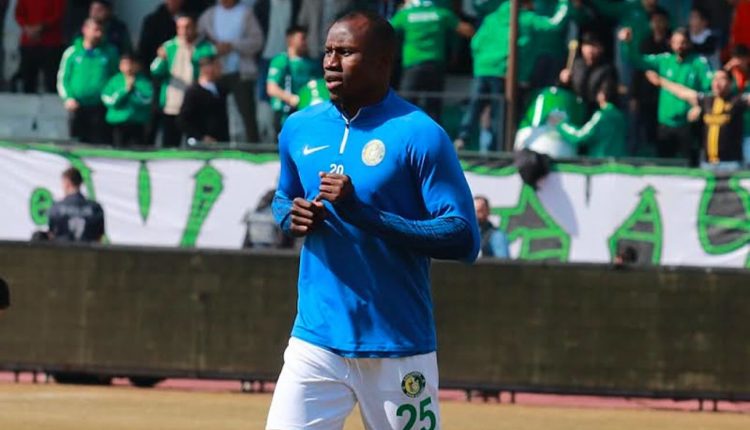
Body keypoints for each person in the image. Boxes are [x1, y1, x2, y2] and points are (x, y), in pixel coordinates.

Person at [266, 10, 480, 430]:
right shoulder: (299, 127)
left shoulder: (420, 134)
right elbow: (282, 197)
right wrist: (291, 216)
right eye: (328, 51)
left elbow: (463, 237)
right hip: (316, 340)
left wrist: (364, 215)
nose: (331, 62)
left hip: (397, 345)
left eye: (345, 52)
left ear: (383, 62)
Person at [455, 0, 573, 152]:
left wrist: (482, 62)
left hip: (482, 70)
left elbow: (476, 42)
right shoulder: (525, 18)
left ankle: (462, 138)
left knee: (475, 107)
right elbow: (554, 24)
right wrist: (565, 2)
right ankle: (497, 150)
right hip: (503, 73)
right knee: (500, 115)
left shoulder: (492, 17)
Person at [620, 26, 712, 164]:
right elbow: (638, 60)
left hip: (688, 123)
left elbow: (710, 88)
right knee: (664, 164)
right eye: (676, 42)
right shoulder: (665, 60)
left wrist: (699, 107)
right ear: (671, 43)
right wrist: (628, 44)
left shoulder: (699, 63)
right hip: (665, 124)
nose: (679, 46)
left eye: (683, 42)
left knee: (690, 165)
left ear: (689, 43)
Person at [648, 69, 750, 170]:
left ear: (730, 82)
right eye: (715, 79)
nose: (717, 83)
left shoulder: (737, 100)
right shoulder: (707, 100)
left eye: (722, 79)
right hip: (708, 164)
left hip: (731, 164)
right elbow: (683, 92)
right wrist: (661, 81)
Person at [390, 0, 475, 121]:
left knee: (405, 108)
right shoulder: (441, 13)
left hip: (413, 66)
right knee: (433, 108)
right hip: (435, 66)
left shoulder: (405, 15)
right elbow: (467, 30)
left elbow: (386, 31)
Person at [198, 0, 264, 143]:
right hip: (216, 74)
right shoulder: (209, 15)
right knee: (215, 114)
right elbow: (198, 41)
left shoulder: (246, 13)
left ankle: (254, 149)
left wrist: (233, 46)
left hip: (240, 73)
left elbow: (257, 41)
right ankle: (216, 145)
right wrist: (213, 49)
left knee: (247, 114)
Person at [151, 14, 216, 148]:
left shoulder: (204, 47)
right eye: (180, 27)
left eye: (187, 27)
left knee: (195, 143)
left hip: (195, 104)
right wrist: (161, 59)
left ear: (195, 28)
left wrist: (196, 58)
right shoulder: (169, 46)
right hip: (172, 102)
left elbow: (210, 68)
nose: (184, 31)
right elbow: (155, 70)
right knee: (170, 144)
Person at [58, 18, 119, 144]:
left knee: (101, 142)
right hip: (77, 106)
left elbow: (116, 78)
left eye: (101, 31)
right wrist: (68, 98)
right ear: (85, 30)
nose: (99, 34)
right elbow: (63, 78)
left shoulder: (110, 52)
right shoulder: (72, 52)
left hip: (101, 107)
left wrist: (110, 97)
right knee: (78, 143)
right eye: (96, 30)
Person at [630, 6, 670, 156]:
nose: (658, 24)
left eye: (661, 21)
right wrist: (634, 96)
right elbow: (637, 70)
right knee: (643, 130)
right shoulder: (645, 43)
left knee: (661, 133)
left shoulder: (671, 45)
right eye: (655, 21)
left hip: (664, 96)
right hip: (645, 95)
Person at [266, 25, 320, 130]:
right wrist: (291, 98)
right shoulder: (281, 61)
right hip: (284, 112)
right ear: (290, 39)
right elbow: (271, 88)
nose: (305, 42)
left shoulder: (311, 63)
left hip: (305, 111)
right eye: (302, 38)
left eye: (306, 38)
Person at [555, 81, 627, 158]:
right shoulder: (621, 116)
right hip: (618, 163)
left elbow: (580, 136)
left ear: (602, 95)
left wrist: (561, 124)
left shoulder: (601, 115)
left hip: (600, 162)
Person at [559, 32, 618, 113]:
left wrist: (603, 96)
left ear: (601, 48)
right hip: (572, 107)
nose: (590, 49)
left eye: (594, 46)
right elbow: (561, 90)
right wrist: (562, 81)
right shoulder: (575, 64)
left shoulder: (607, 69)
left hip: (592, 111)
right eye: (587, 45)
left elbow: (607, 90)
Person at [101, 54, 153, 147]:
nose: (128, 67)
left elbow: (147, 101)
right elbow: (108, 100)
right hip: (118, 121)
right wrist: (124, 91)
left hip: (137, 122)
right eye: (124, 64)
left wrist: (134, 91)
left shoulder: (143, 82)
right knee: (117, 149)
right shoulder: (114, 80)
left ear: (138, 66)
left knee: (138, 149)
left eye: (131, 64)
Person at [14, 0, 65, 93]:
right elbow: (19, 14)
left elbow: (59, 14)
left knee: (51, 81)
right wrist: (27, 27)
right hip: (29, 42)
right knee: (28, 80)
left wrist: (40, 27)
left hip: (51, 43)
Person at [178, 56, 229, 144]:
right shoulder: (194, 92)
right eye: (217, 66)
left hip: (221, 142)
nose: (221, 69)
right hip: (201, 144)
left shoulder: (221, 89)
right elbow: (182, 120)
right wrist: (201, 137)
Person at [48, 167, 105, 243]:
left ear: (67, 183)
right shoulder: (95, 208)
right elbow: (99, 238)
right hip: (87, 250)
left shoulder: (56, 208)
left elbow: (51, 236)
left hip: (63, 250)